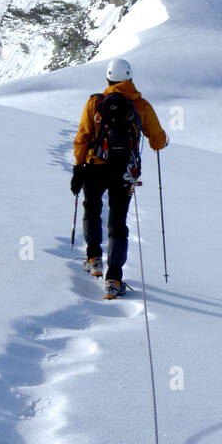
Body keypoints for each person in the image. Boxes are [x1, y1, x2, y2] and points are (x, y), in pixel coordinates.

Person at [71, 58, 168, 297]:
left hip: (95, 166)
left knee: (91, 208)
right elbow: (157, 140)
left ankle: (93, 259)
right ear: (130, 79)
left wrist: (78, 167)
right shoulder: (141, 105)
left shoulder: (95, 102)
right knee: (117, 221)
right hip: (125, 170)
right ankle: (113, 280)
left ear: (108, 79)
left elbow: (83, 136)